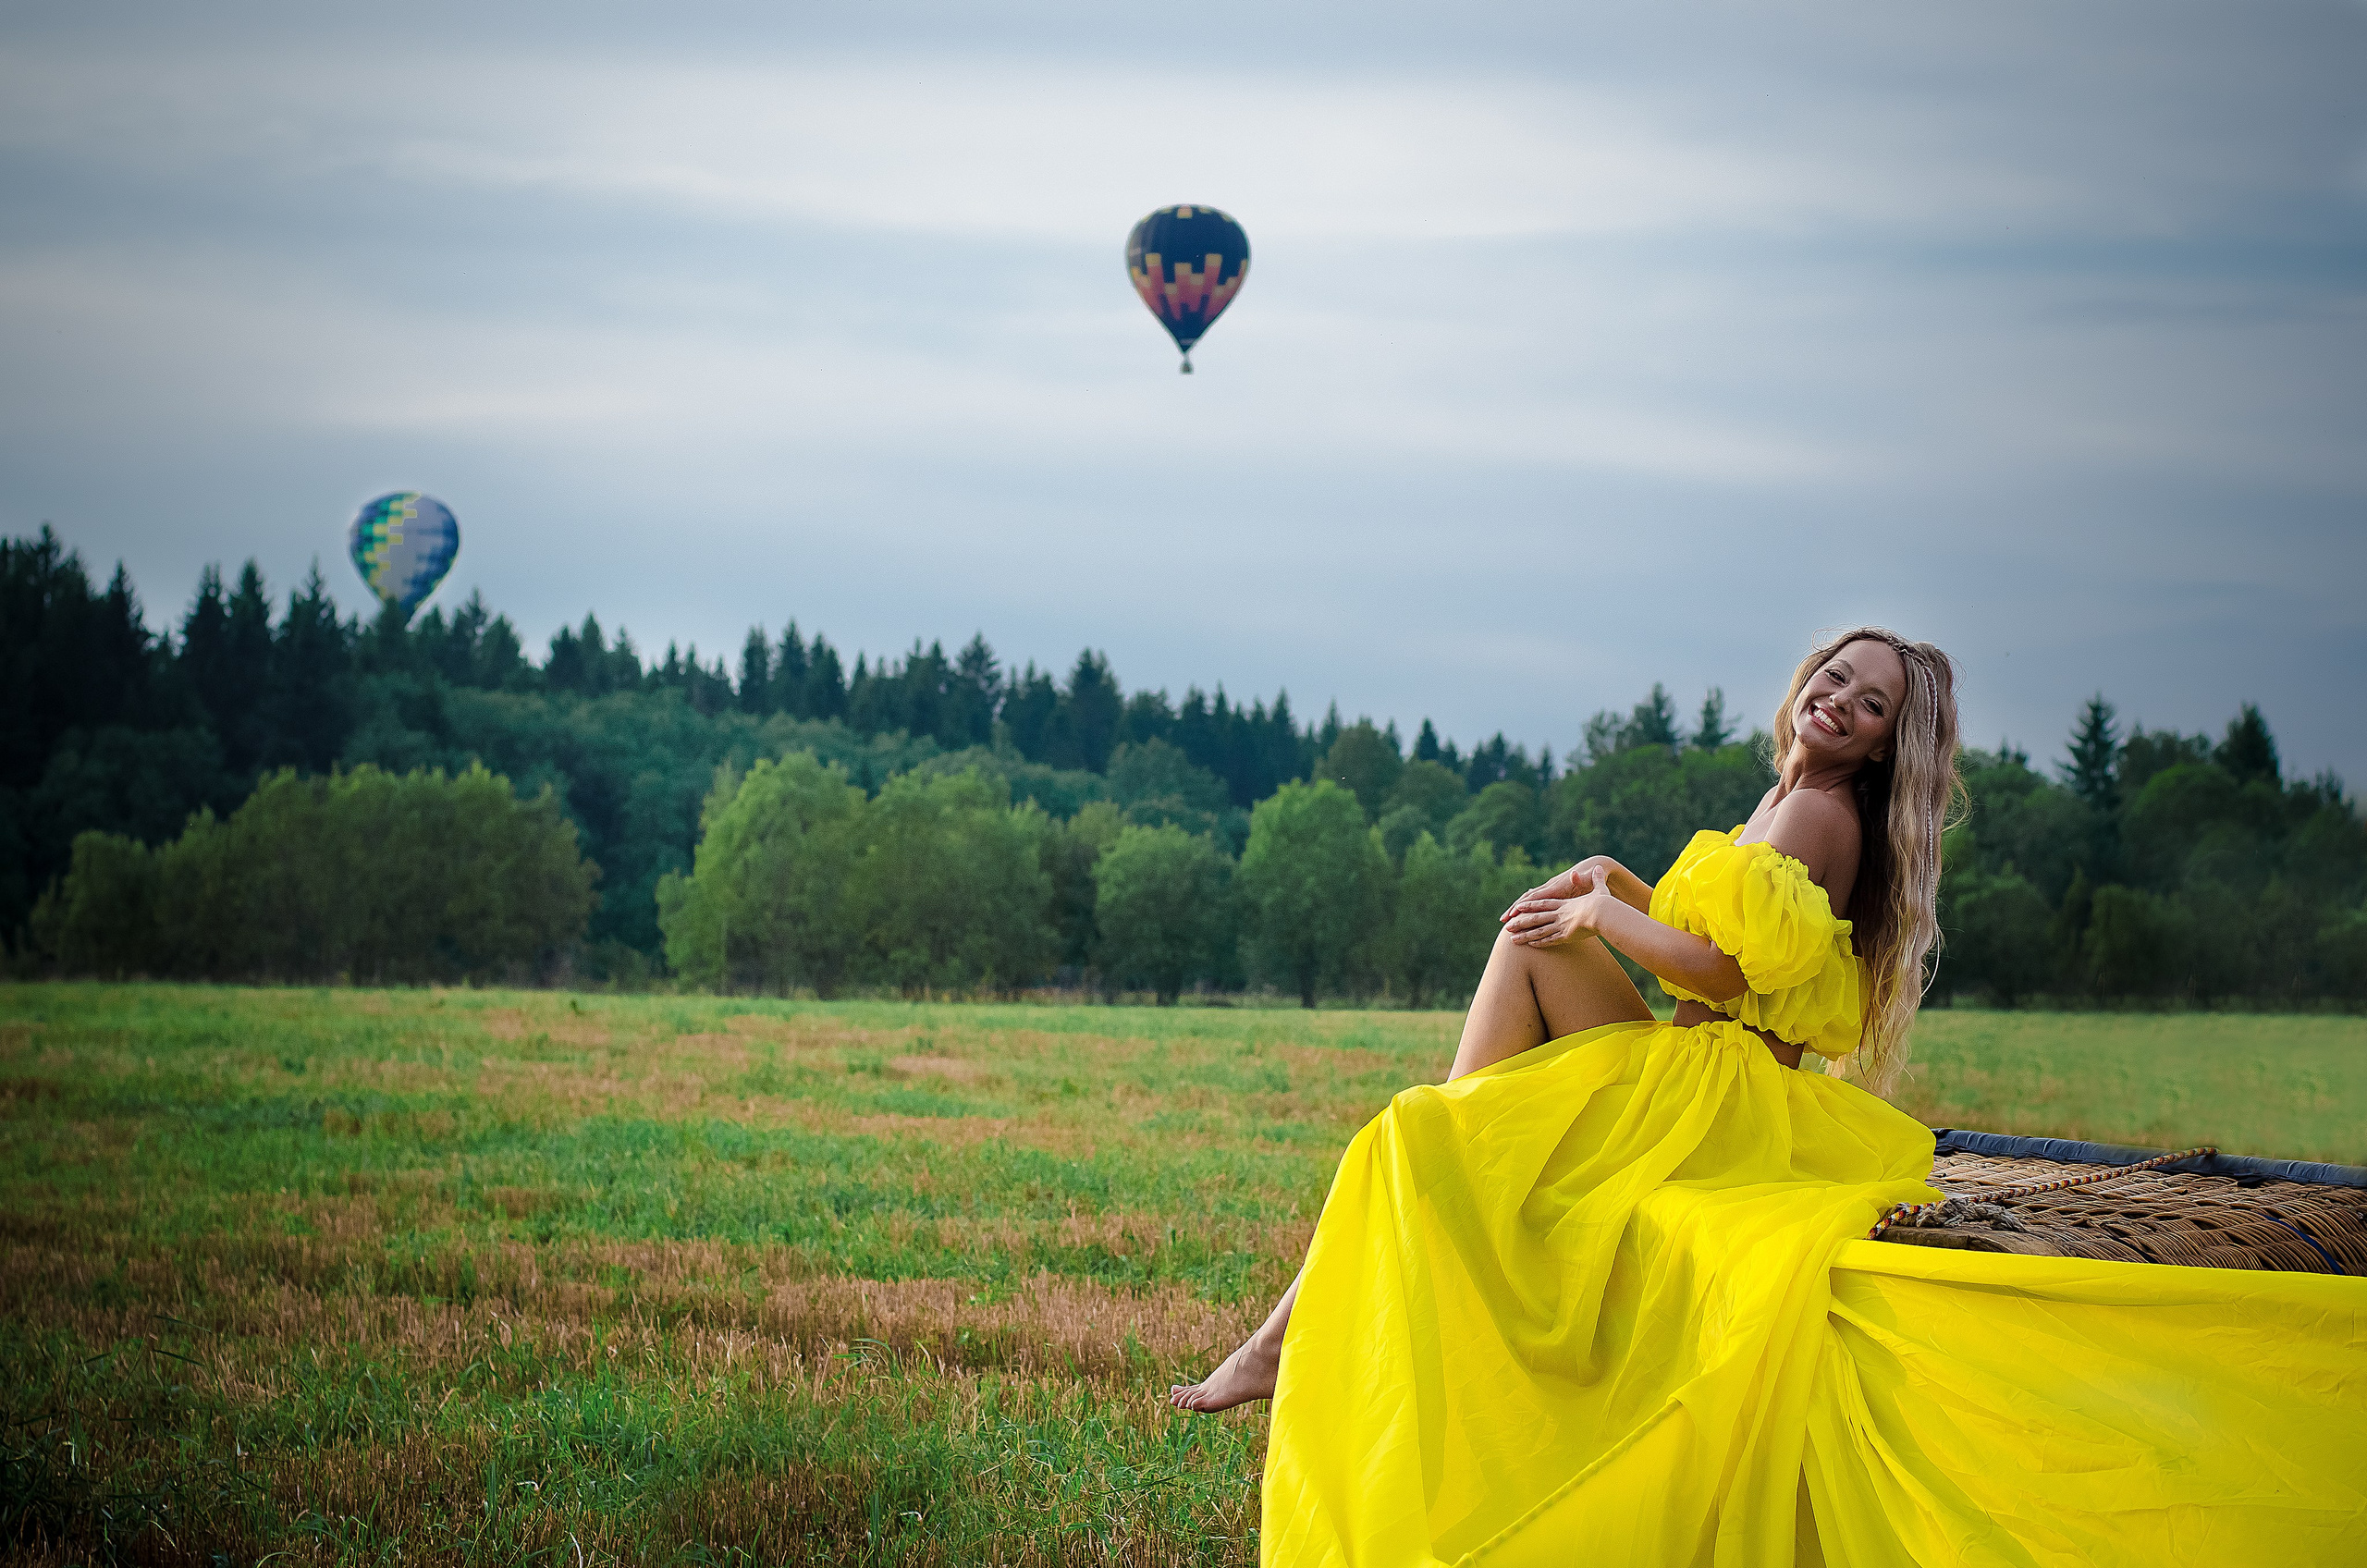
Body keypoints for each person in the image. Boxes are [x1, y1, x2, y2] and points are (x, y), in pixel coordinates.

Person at [1171, 628, 2367, 1565]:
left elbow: (1725, 973)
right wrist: (1617, 882)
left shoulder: (1813, 811)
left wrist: (1600, 913)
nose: (1839, 704)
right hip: (1723, 1069)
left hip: (1718, 1083)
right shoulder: (1799, 805)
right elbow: (1717, 937)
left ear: (1889, 744)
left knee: (1443, 1102)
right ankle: (1386, 1231)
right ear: (1806, 681)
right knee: (1510, 988)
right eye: (1835, 680)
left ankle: (1348, 1271)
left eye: (1871, 706)